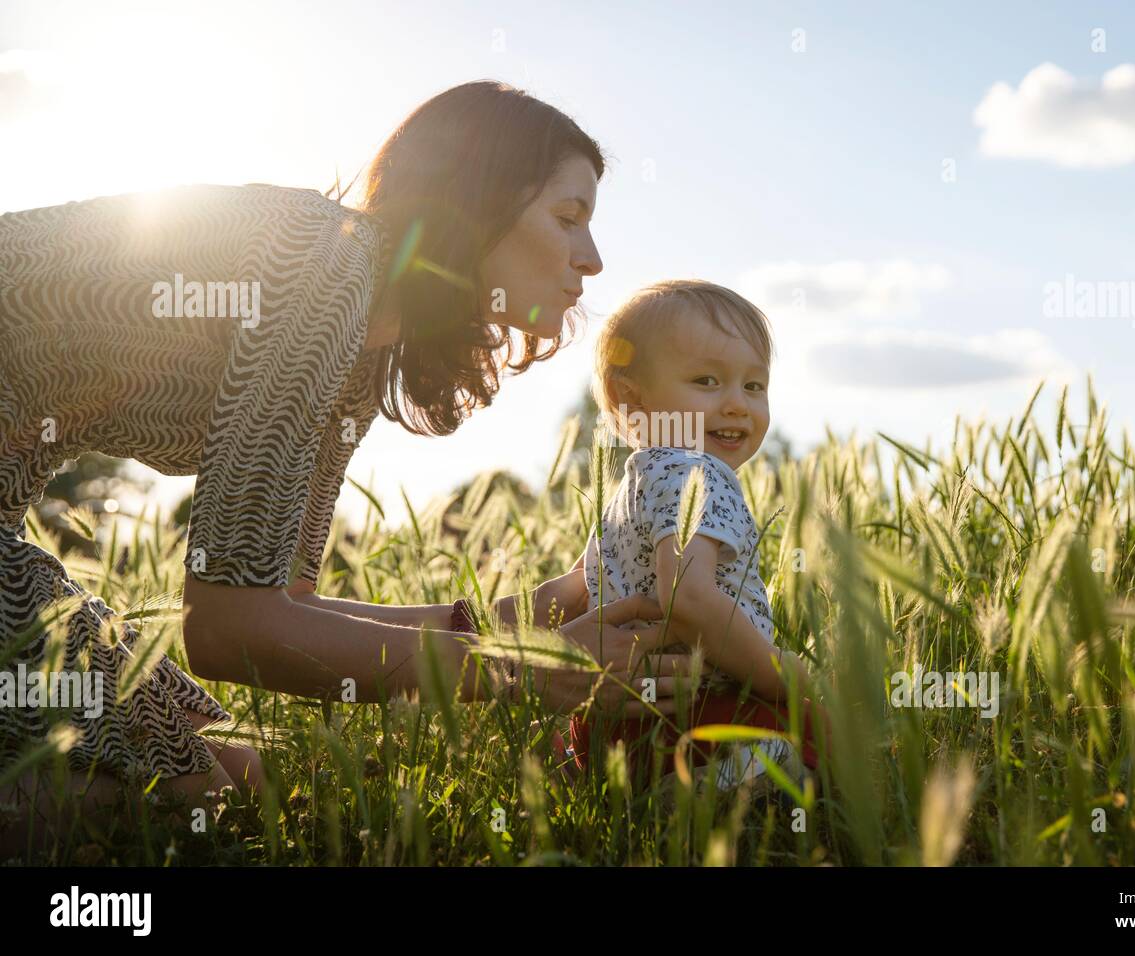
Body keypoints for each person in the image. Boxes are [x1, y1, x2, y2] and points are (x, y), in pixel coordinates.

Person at [0, 81, 689, 852]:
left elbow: (284, 604)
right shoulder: (322, 266)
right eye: (568, 218)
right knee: (178, 795)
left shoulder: (363, 348)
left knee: (247, 782)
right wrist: (511, 671)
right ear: (479, 199)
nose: (591, 260)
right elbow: (226, 629)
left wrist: (534, 618)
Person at [567, 280, 822, 790]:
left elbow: (578, 593)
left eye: (754, 386)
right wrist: (783, 676)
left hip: (618, 728)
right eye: (707, 381)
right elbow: (688, 595)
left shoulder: (628, 493)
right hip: (706, 721)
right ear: (630, 399)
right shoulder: (700, 475)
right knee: (829, 744)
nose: (737, 405)